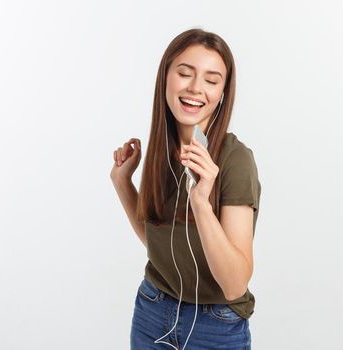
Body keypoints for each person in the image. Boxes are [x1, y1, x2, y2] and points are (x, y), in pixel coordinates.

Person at [110, 28, 261, 350]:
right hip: (153, 309)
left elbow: (235, 284)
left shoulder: (235, 161)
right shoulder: (163, 149)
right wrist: (123, 182)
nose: (195, 88)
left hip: (215, 325)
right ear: (165, 77)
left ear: (222, 92)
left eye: (211, 79)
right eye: (184, 73)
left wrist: (202, 203)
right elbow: (158, 243)